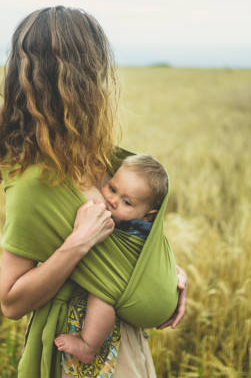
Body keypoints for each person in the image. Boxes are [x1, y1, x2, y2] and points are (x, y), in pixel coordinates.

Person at [0, 6, 187, 378]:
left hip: (127, 343)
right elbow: (11, 301)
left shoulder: (101, 159)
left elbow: (128, 242)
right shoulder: (33, 183)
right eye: (96, 70)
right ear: (79, 79)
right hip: (78, 354)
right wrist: (78, 242)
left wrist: (165, 273)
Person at [54, 154, 168, 364]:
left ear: (148, 216)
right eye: (112, 189)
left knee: (104, 294)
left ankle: (89, 346)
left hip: (122, 284)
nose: (112, 201)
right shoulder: (119, 211)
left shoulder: (137, 231)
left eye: (127, 202)